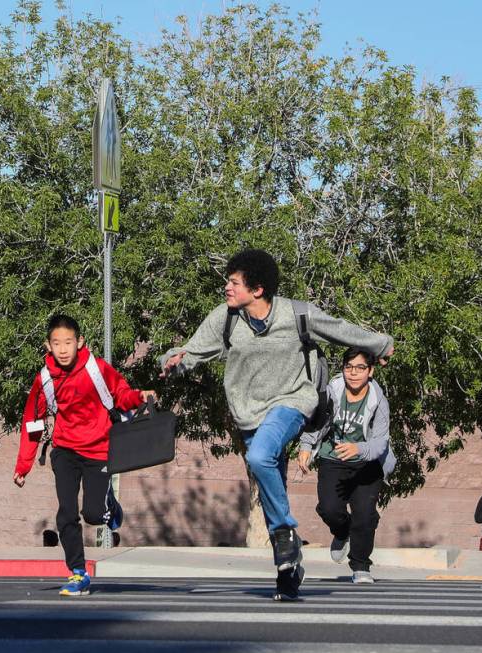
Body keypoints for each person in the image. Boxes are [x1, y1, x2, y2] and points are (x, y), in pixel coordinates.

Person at [160, 249, 393, 601]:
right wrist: (173, 361)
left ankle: (284, 534)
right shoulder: (225, 319)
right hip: (248, 412)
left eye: (234, 282)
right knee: (273, 487)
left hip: (293, 402)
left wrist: (381, 344)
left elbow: (340, 330)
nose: (227, 287)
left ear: (257, 289)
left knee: (259, 457)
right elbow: (192, 353)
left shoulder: (297, 314)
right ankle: (288, 571)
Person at [14, 314, 156, 597]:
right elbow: (33, 420)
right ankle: (78, 573)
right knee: (66, 513)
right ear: (48, 346)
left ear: (80, 342)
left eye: (68, 342)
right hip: (65, 450)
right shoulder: (45, 378)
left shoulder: (96, 368)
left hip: (98, 450)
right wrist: (24, 465)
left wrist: (139, 396)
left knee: (93, 514)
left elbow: (121, 393)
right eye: (57, 343)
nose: (63, 349)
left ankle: (109, 507)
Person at [297, 347, 395, 585]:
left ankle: (361, 566)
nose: (353, 373)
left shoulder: (378, 402)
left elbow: (381, 442)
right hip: (334, 460)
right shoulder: (332, 392)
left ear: (370, 371)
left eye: (360, 368)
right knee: (330, 509)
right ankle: (342, 533)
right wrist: (306, 446)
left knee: (365, 516)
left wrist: (359, 449)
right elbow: (317, 420)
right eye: (349, 367)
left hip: (367, 465)